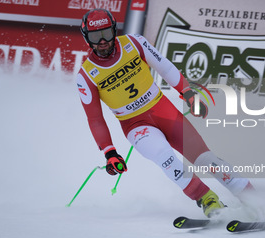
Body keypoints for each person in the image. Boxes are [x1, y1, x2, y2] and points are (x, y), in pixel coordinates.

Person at [77, 8, 253, 218]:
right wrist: (110, 152)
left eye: (106, 33)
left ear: (114, 30)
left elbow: (165, 68)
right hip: (135, 125)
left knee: (204, 158)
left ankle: (251, 196)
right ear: (87, 39)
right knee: (165, 157)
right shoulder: (86, 76)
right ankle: (207, 200)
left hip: (163, 110)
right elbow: (95, 119)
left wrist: (187, 92)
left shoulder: (134, 43)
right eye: (96, 36)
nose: (103, 41)